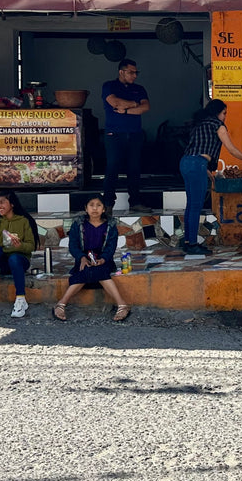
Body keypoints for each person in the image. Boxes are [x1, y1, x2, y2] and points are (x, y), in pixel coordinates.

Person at [179, 99, 242, 255]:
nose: (225, 117)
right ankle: (192, 245)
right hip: (198, 164)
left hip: (186, 163)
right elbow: (231, 150)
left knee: (191, 204)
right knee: (196, 205)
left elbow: (196, 148)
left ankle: (188, 241)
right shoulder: (218, 126)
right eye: (224, 113)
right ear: (217, 112)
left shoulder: (199, 124)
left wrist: (205, 170)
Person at [53, 195, 130, 322]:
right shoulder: (78, 224)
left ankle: (61, 304)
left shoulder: (110, 225)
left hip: (104, 260)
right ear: (86, 208)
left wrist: (103, 259)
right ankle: (122, 305)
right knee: (85, 270)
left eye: (99, 205)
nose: (95, 208)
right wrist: (82, 258)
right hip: (84, 259)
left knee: (99, 270)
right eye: (91, 205)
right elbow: (73, 245)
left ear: (104, 209)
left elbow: (111, 247)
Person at [0, 190, 39, 318]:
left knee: (14, 258)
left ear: (12, 204)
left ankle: (21, 299)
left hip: (20, 262)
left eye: (2, 202)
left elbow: (31, 246)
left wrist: (20, 246)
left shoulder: (24, 221)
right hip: (2, 264)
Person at [102, 58, 150, 211]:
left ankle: (135, 202)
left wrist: (127, 110)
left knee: (134, 168)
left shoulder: (140, 89)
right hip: (114, 134)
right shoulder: (109, 85)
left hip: (134, 134)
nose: (134, 75)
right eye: (131, 72)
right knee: (112, 168)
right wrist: (135, 103)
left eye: (136, 73)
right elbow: (115, 103)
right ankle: (108, 204)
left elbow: (146, 107)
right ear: (121, 72)